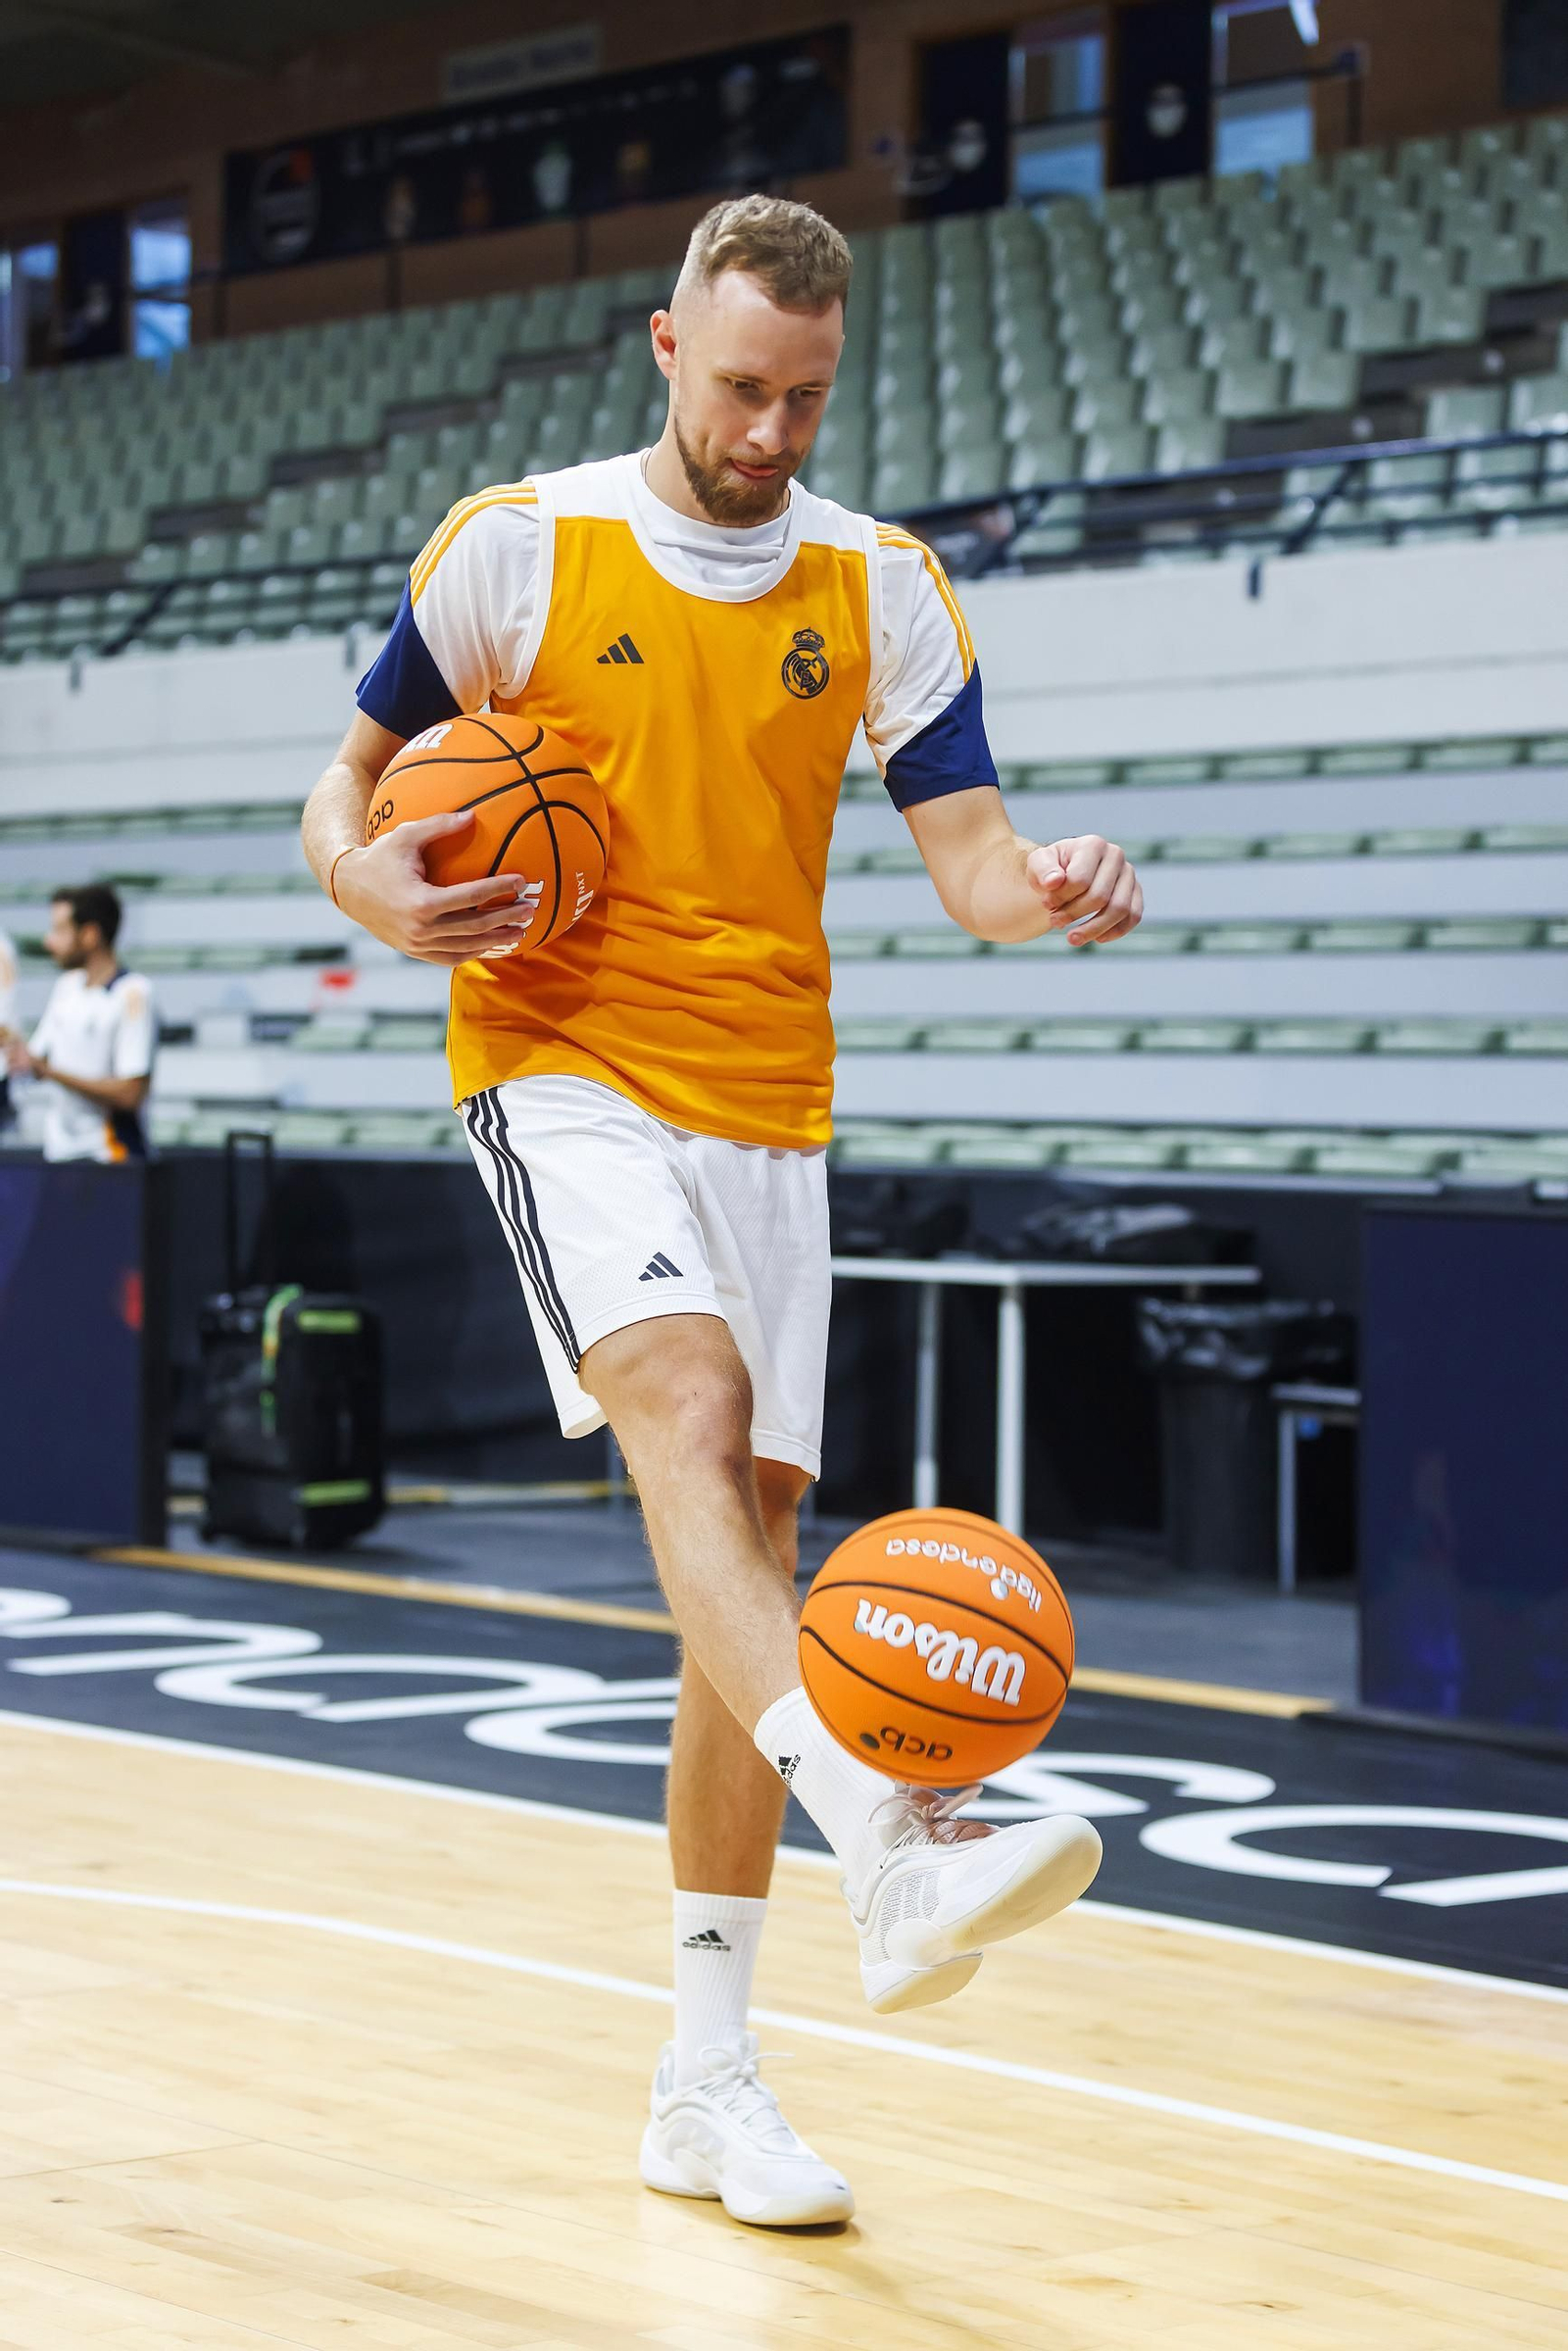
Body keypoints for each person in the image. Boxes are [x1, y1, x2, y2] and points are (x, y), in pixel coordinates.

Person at [300, 195, 1144, 2230]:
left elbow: (965, 862)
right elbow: (345, 788)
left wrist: (1051, 884)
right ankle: (891, 1823)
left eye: (807, 396)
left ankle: (704, 2075)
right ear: (665, 346)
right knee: (678, 1411)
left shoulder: (878, 581)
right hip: (556, 1056)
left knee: (741, 1566)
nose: (769, 428)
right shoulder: (520, 543)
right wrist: (366, 882)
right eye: (740, 383)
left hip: (770, 1103)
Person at [4, 886, 156, 1162]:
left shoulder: (133, 993)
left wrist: (49, 1071)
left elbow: (130, 1093)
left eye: (60, 930)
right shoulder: (66, 987)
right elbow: (36, 1060)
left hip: (111, 1158)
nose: (50, 942)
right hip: (60, 1156)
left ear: (90, 935)